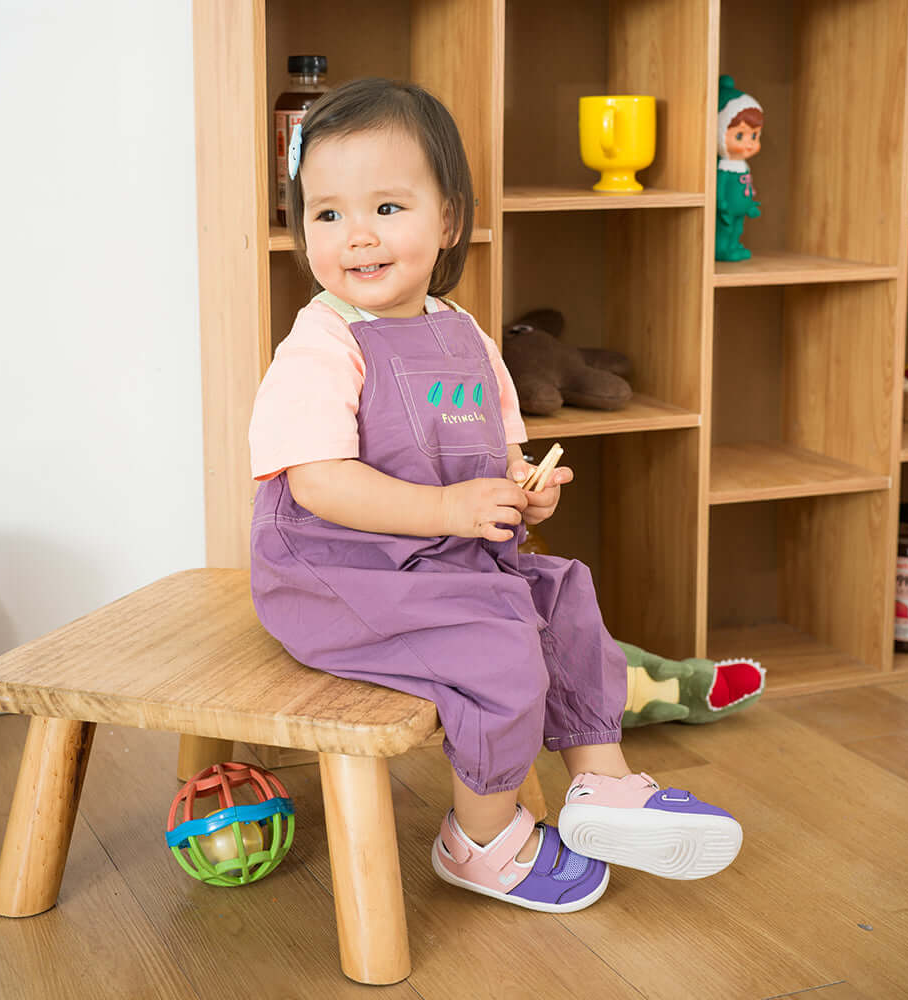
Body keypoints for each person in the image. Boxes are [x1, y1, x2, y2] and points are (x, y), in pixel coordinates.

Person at [249, 77, 742, 913]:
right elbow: (319, 483)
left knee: (566, 596)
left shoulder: (462, 331)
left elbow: (495, 448)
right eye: (327, 214)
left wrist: (522, 490)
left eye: (387, 208)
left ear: (447, 220)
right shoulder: (322, 342)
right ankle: (478, 839)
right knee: (499, 646)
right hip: (339, 574)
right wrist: (448, 511)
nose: (355, 236)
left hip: (445, 558)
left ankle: (600, 778)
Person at [715, 74, 763, 261]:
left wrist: (750, 204)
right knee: (725, 229)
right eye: (739, 136)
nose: (749, 144)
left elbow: (747, 187)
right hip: (726, 210)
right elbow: (720, 188)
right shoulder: (724, 168)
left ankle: (734, 245)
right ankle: (722, 248)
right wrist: (721, 204)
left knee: (738, 229)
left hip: (740, 210)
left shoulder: (743, 167)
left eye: (754, 136)